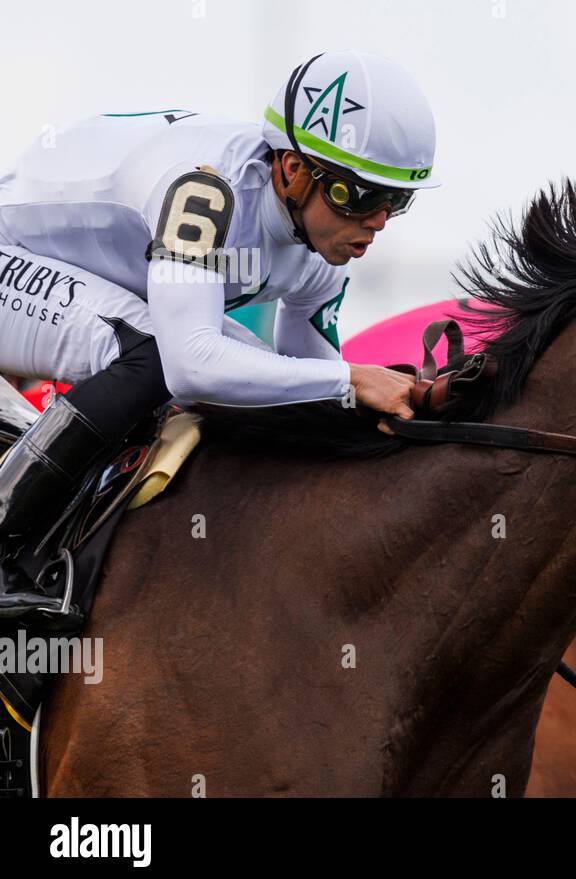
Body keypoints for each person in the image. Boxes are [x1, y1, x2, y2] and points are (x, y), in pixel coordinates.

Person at [0, 50, 435, 618]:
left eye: (394, 201)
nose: (376, 222)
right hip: (14, 254)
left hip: (96, 277)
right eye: (360, 196)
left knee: (255, 372)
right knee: (155, 352)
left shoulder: (326, 247)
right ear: (292, 168)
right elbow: (190, 366)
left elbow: (311, 388)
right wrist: (353, 377)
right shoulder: (208, 190)